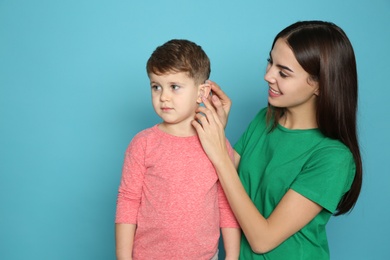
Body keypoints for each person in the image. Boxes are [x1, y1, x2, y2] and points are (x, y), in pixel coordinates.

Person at [192, 21, 363, 259]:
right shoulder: (264, 120)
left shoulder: (333, 158)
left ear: (320, 85)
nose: (267, 76)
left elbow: (263, 240)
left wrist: (220, 152)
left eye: (283, 72)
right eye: (270, 62)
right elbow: (221, 186)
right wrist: (217, 130)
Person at [115, 39, 241, 260]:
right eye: (156, 87)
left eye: (174, 87)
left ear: (202, 92)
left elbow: (226, 201)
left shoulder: (219, 144)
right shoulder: (143, 143)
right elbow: (128, 200)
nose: (163, 96)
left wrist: (232, 256)